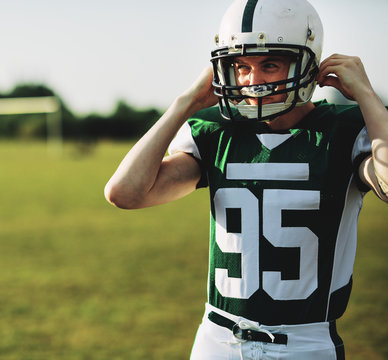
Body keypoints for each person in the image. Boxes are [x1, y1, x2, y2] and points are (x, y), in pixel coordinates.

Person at [104, 0, 388, 359]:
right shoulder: (217, 132)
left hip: (304, 344)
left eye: (270, 64)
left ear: (307, 64)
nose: (254, 82)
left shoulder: (343, 131)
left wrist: (366, 96)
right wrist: (185, 102)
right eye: (241, 67)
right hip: (218, 339)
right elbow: (125, 193)